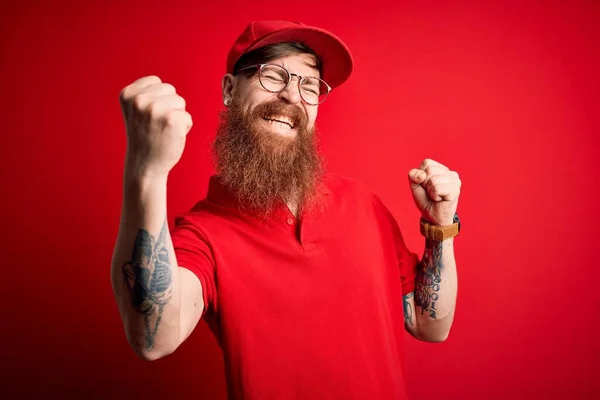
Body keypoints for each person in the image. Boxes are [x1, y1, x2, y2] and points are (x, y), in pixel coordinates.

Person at [111, 20, 461, 400]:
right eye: (273, 75)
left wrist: (440, 225)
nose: (292, 96)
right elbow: (153, 338)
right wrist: (147, 173)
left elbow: (430, 325)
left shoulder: (364, 204)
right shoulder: (204, 234)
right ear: (230, 89)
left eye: (309, 85)